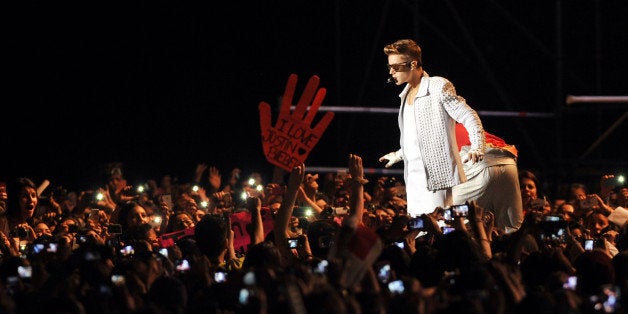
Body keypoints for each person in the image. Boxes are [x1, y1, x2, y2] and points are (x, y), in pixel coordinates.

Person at [379, 38, 486, 217]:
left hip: (437, 176)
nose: (391, 72)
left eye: (396, 67)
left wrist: (477, 146)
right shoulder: (405, 95)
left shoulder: (437, 86)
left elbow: (468, 115)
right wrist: (398, 154)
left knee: (440, 225)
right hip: (413, 179)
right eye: (390, 67)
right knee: (418, 228)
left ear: (413, 64)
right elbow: (418, 139)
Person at [452, 123, 523, 234]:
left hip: (476, 163)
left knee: (450, 223)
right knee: (511, 228)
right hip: (508, 161)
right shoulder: (463, 125)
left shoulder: (431, 134)